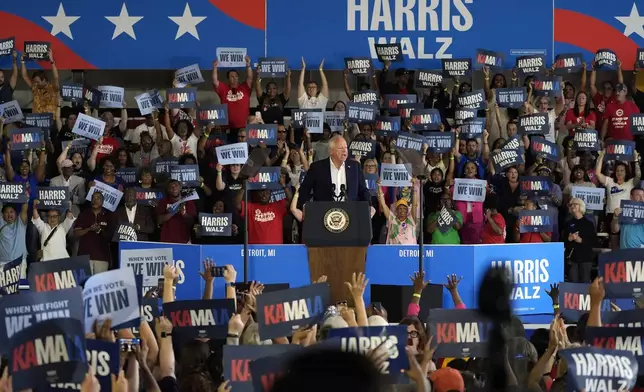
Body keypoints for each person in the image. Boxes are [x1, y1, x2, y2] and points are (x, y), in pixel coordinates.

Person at [297, 135, 371, 208]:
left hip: (350, 212)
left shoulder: (355, 167)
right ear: (331, 151)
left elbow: (363, 190)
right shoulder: (317, 168)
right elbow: (304, 189)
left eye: (345, 147)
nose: (344, 150)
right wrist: (305, 206)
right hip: (323, 213)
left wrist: (370, 206)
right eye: (340, 148)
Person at [74, 192, 114, 272]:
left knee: (100, 284)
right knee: (85, 284)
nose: (95, 200)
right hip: (84, 257)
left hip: (102, 258)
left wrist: (99, 230)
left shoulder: (108, 215)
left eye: (98, 198)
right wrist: (89, 229)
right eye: (93, 198)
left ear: (102, 202)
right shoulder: (83, 214)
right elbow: (76, 233)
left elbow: (111, 236)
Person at [212, 54, 253, 131]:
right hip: (228, 128)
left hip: (244, 128)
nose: (234, 78)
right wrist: (214, 68)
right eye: (232, 76)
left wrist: (248, 66)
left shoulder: (244, 87)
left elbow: (250, 77)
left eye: (236, 76)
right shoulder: (224, 89)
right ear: (228, 78)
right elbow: (215, 81)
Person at [562, 198, 596, 283]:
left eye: (575, 204)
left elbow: (594, 241)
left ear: (581, 206)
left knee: (585, 283)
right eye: (571, 204)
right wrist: (569, 239)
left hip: (585, 258)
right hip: (572, 258)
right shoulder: (568, 223)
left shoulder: (589, 223)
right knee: (573, 283)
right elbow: (562, 241)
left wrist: (581, 240)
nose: (572, 206)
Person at [376, 179, 419, 245]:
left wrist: (414, 189)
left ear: (407, 211)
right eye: (400, 208)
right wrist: (379, 187)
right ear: (396, 211)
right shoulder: (393, 219)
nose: (402, 211)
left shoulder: (411, 219)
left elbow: (414, 205)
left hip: (409, 253)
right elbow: (383, 205)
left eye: (404, 208)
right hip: (394, 252)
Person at [155, 179, 197, 244]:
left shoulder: (188, 202)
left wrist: (184, 214)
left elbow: (192, 222)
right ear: (168, 190)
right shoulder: (163, 202)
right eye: (171, 187)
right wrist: (174, 211)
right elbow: (159, 220)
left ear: (180, 188)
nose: (174, 188)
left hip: (184, 239)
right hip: (166, 239)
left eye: (176, 186)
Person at [20, 49, 59, 114]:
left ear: (44, 80)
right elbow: (24, 76)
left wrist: (52, 61)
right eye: (35, 82)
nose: (35, 83)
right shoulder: (35, 87)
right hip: (36, 120)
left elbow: (56, 77)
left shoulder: (53, 87)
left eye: (38, 82)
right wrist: (22, 61)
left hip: (50, 121)